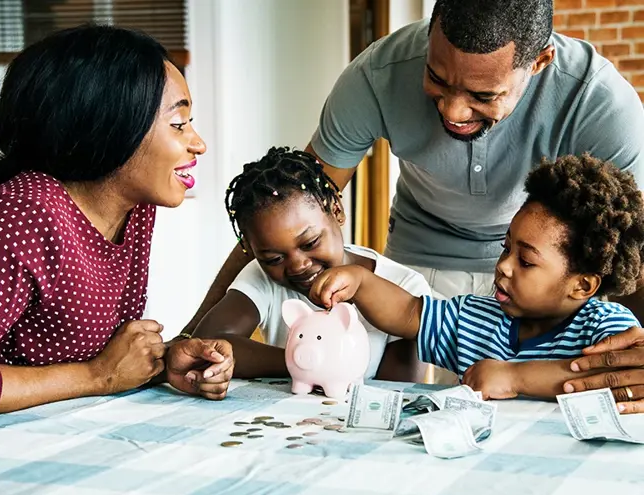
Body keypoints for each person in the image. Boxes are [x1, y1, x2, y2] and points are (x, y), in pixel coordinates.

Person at [182, 0, 644, 406]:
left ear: (540, 62)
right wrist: (191, 335)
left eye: (484, 95)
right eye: (437, 79)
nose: (452, 111)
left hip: (550, 278)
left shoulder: (601, 104)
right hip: (421, 268)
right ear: (429, 34)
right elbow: (289, 206)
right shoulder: (375, 76)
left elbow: (628, 244)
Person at [0, 26, 234, 457]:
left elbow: (77, 350)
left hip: (11, 442)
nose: (197, 143)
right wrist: (97, 376)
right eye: (178, 123)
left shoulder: (133, 207)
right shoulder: (25, 211)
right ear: (107, 126)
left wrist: (161, 363)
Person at [309, 154, 644, 404]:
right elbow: (409, 313)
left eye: (526, 261)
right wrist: (361, 282)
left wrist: (513, 378)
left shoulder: (606, 328)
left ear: (582, 285)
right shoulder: (476, 318)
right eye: (506, 248)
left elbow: (605, 378)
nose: (504, 267)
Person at [193, 147, 431, 381]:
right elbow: (207, 344)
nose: (298, 265)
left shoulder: (405, 286)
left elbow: (398, 390)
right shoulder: (262, 275)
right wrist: (301, 362)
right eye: (274, 258)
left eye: (310, 243)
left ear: (336, 210)